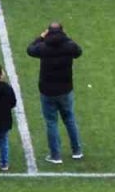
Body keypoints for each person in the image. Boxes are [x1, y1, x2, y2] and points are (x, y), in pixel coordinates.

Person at [26, 21, 83, 164]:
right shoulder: (69, 46)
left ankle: (55, 155)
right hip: (65, 89)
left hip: (48, 91)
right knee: (69, 119)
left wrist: (40, 36)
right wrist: (66, 37)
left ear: (49, 32)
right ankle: (77, 150)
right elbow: (78, 51)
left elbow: (30, 49)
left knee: (51, 122)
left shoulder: (44, 47)